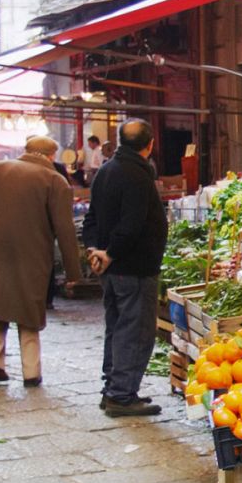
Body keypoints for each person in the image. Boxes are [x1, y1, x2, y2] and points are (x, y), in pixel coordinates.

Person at [0, 136, 82, 386]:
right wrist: (74, 273)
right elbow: (65, 229)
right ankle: (31, 371)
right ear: (51, 155)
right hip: (32, 252)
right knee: (28, 310)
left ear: (26, 150)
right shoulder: (55, 181)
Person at [82, 118, 168, 416]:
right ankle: (121, 394)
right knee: (135, 330)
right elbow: (132, 224)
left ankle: (114, 388)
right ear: (150, 144)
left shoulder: (105, 170)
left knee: (117, 327)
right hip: (133, 267)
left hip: (113, 268)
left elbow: (91, 218)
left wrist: (95, 250)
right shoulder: (136, 174)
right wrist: (110, 252)